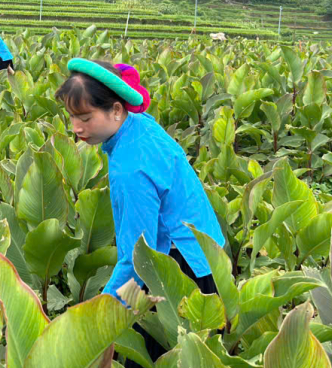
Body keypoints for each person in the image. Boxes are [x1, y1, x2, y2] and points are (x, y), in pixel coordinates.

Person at [55, 58, 225, 363]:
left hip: (179, 271)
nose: (76, 128)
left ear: (116, 109)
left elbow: (138, 257)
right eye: (71, 117)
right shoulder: (138, 125)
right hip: (204, 253)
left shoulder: (131, 169)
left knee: (150, 356)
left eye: (85, 117)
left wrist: (96, 316)